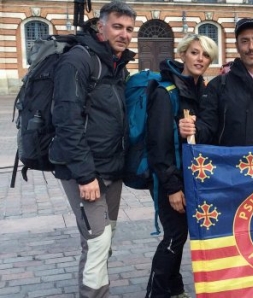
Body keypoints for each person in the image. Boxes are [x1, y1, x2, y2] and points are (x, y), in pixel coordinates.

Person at [48, 1, 136, 297]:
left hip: (112, 168)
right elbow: (67, 121)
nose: (124, 34)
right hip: (85, 170)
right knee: (98, 240)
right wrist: (85, 176)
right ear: (100, 26)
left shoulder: (117, 65)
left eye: (128, 29)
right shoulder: (79, 60)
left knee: (103, 240)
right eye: (117, 26)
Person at [145, 34, 218, 298]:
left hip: (191, 178)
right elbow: (157, 144)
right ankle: (156, 292)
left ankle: (174, 290)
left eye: (206, 55)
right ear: (184, 53)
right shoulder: (167, 92)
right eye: (195, 53)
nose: (200, 59)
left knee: (179, 234)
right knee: (175, 235)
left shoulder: (202, 89)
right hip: (170, 178)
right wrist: (172, 187)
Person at [179, 18, 253, 146]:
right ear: (237, 46)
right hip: (229, 165)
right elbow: (207, 128)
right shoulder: (217, 86)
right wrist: (194, 130)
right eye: (244, 41)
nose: (251, 47)